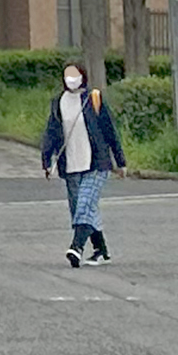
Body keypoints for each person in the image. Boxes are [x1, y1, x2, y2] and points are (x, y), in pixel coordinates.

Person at [39, 62, 124, 267]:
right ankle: (101, 250)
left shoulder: (93, 99)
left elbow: (109, 130)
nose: (71, 79)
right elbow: (51, 132)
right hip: (70, 165)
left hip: (96, 163)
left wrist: (120, 161)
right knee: (81, 208)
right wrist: (46, 160)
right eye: (68, 75)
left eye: (75, 75)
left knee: (85, 204)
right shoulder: (58, 102)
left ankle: (76, 248)